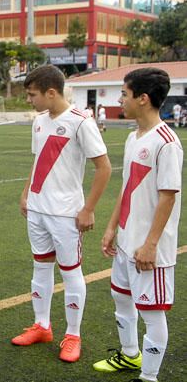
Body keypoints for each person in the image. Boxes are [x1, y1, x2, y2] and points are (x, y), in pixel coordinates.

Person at [12, 65, 112, 363]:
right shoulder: (40, 121)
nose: (29, 100)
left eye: (32, 95)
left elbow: (103, 167)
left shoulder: (81, 122)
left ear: (51, 92)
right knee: (40, 267)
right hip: (38, 209)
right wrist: (27, 191)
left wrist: (88, 209)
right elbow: (38, 160)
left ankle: (73, 335)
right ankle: (42, 326)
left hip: (66, 213)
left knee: (70, 273)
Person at [93, 68, 182, 382]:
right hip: (126, 240)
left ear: (143, 99)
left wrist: (151, 244)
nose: (120, 99)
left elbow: (168, 197)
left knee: (152, 311)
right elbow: (127, 186)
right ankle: (130, 355)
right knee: (121, 297)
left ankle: (149, 377)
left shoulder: (166, 142)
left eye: (124, 94)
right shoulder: (134, 137)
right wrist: (111, 227)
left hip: (149, 248)